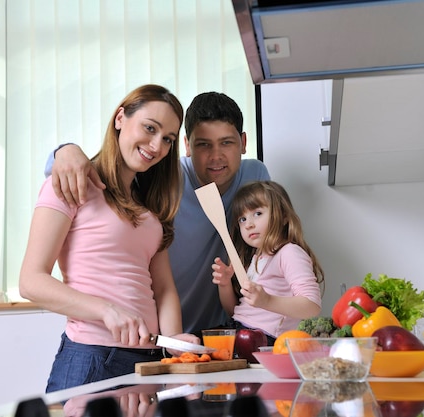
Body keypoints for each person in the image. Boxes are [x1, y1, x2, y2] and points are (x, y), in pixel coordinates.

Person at [19, 84, 199, 393]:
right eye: (149, 128)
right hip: (93, 359)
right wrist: (107, 310)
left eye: (167, 139)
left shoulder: (149, 209)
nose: (157, 146)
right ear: (120, 118)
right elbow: (30, 281)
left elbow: (164, 287)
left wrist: (173, 342)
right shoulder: (69, 185)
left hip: (150, 363)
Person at [45, 92, 271, 335]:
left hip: (220, 328)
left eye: (226, 142)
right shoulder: (164, 177)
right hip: (156, 331)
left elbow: (271, 245)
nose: (216, 156)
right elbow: (99, 175)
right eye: (203, 144)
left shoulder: (255, 177)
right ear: (186, 145)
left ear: (244, 142)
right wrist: (63, 151)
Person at [211, 181, 324, 343]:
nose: (248, 224)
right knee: (189, 346)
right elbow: (235, 311)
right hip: (239, 328)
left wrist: (267, 301)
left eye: (257, 213)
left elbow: (312, 306)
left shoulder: (289, 253)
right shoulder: (255, 259)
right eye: (242, 219)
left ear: (284, 216)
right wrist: (225, 284)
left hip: (263, 338)